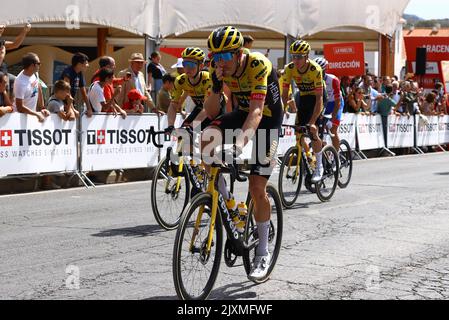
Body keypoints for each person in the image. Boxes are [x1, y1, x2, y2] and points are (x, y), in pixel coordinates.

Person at [203, 26, 283, 281]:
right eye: (216, 57)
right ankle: (229, 204)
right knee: (205, 140)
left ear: (239, 54)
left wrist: (237, 146)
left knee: (256, 188)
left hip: (268, 120)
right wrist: (216, 86)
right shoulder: (219, 70)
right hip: (242, 114)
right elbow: (212, 111)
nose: (220, 62)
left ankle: (262, 251)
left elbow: (257, 113)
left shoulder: (258, 64)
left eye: (226, 57)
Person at [282, 40, 325, 183]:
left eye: (299, 56)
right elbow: (284, 93)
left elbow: (319, 99)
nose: (296, 60)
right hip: (303, 97)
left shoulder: (315, 69)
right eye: (294, 56)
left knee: (312, 131)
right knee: (298, 132)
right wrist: (282, 111)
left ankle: (319, 166)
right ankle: (308, 156)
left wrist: (313, 122)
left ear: (307, 56)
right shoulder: (289, 68)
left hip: (317, 97)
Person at [167, 47, 218, 130]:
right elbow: (173, 105)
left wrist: (191, 127)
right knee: (183, 137)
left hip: (216, 110)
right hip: (200, 109)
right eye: (185, 64)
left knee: (214, 139)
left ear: (201, 66)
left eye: (191, 65)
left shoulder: (208, 79)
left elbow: (207, 109)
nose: (187, 68)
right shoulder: (180, 80)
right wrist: (170, 126)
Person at [314, 57, 344, 150]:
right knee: (317, 130)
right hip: (324, 104)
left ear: (324, 69)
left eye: (320, 70)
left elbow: (338, 102)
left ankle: (336, 156)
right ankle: (323, 152)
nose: (317, 73)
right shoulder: (313, 80)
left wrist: (332, 119)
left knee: (332, 129)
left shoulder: (333, 80)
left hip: (335, 103)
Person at [14, 53, 49, 122]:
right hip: (19, 118)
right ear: (32, 65)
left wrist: (42, 108)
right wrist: (36, 114)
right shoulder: (20, 82)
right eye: (38, 63)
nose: (40, 65)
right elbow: (19, 107)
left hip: (31, 115)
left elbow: (38, 88)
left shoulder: (35, 73)